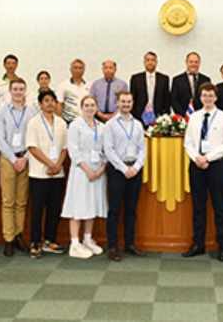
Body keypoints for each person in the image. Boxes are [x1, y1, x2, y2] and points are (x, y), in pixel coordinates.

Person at [182, 83, 223, 261]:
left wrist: (207, 158)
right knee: (198, 207)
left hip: (216, 166)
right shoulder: (194, 117)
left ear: (216, 97)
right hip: (196, 165)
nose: (208, 98)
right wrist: (197, 157)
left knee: (219, 207)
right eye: (204, 95)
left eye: (211, 95)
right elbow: (188, 142)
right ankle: (198, 244)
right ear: (200, 97)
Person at [61, 95, 108, 259]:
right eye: (86, 105)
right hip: (81, 170)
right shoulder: (75, 126)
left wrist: (102, 168)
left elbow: (106, 150)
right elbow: (73, 151)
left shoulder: (102, 127)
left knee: (92, 204)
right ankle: (74, 243)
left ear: (96, 108)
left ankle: (88, 239)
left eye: (92, 105)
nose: (89, 108)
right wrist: (87, 170)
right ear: (81, 108)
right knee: (78, 204)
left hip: (98, 170)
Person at [0, 77, 37, 257]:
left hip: (26, 159)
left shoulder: (32, 112)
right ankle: (9, 239)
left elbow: (36, 136)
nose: (18, 92)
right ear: (10, 91)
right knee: (8, 201)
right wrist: (14, 159)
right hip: (8, 159)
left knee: (21, 202)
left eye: (21, 89)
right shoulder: (2, 112)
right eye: (15, 89)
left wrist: (25, 158)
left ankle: (19, 236)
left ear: (25, 91)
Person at [103, 91, 147, 262]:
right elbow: (109, 150)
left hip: (134, 171)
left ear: (133, 102)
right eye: (123, 101)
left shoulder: (137, 124)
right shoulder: (110, 125)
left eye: (129, 101)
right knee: (114, 210)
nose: (126, 104)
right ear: (117, 103)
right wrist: (123, 169)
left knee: (131, 210)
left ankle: (130, 244)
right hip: (117, 171)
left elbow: (142, 148)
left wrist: (135, 167)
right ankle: (112, 246)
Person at [26, 90, 68, 259]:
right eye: (47, 101)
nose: (50, 104)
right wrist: (51, 164)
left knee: (54, 208)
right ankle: (35, 242)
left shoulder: (61, 123)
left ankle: (50, 240)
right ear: (40, 104)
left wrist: (58, 165)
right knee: (37, 209)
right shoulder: (33, 123)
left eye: (53, 101)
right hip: (39, 174)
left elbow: (65, 148)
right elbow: (32, 147)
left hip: (58, 174)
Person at [129, 52, 170, 127]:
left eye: (152, 60)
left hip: (158, 117)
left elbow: (166, 99)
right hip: (139, 117)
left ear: (156, 62)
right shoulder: (136, 78)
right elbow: (132, 98)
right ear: (144, 63)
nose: (150, 62)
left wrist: (166, 117)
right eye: (148, 60)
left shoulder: (164, 79)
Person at [171, 52, 211, 117]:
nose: (193, 64)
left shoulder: (206, 80)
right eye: (191, 62)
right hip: (183, 117)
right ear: (186, 62)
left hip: (202, 115)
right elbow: (174, 99)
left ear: (199, 63)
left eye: (196, 62)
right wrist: (183, 115)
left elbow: (209, 98)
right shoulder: (177, 80)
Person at [56, 59, 91, 125]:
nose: (77, 70)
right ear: (71, 70)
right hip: (68, 121)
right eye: (75, 68)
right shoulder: (63, 85)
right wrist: (58, 122)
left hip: (85, 121)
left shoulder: (89, 86)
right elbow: (59, 104)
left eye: (80, 68)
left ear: (84, 70)